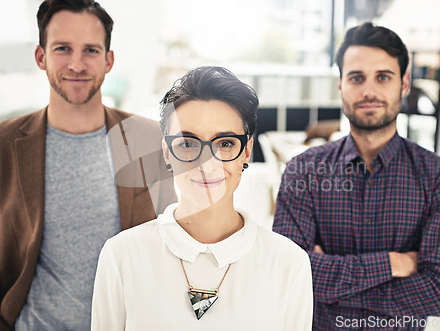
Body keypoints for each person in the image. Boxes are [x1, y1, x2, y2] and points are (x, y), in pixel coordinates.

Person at [0, 0, 175, 330]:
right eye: (63, 48)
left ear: (108, 61)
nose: (77, 64)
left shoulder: (147, 138)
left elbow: (171, 238)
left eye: (91, 50)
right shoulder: (0, 145)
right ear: (42, 56)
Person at [273, 22, 440, 330]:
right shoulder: (303, 170)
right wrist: (395, 263)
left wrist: (326, 277)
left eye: (383, 77)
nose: (369, 91)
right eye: (356, 77)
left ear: (404, 84)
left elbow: (438, 294)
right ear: (341, 85)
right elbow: (286, 275)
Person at [91, 66, 313, 330]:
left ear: (246, 152)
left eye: (226, 143)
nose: (207, 164)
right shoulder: (121, 256)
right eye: (188, 144)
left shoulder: (289, 263)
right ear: (166, 153)